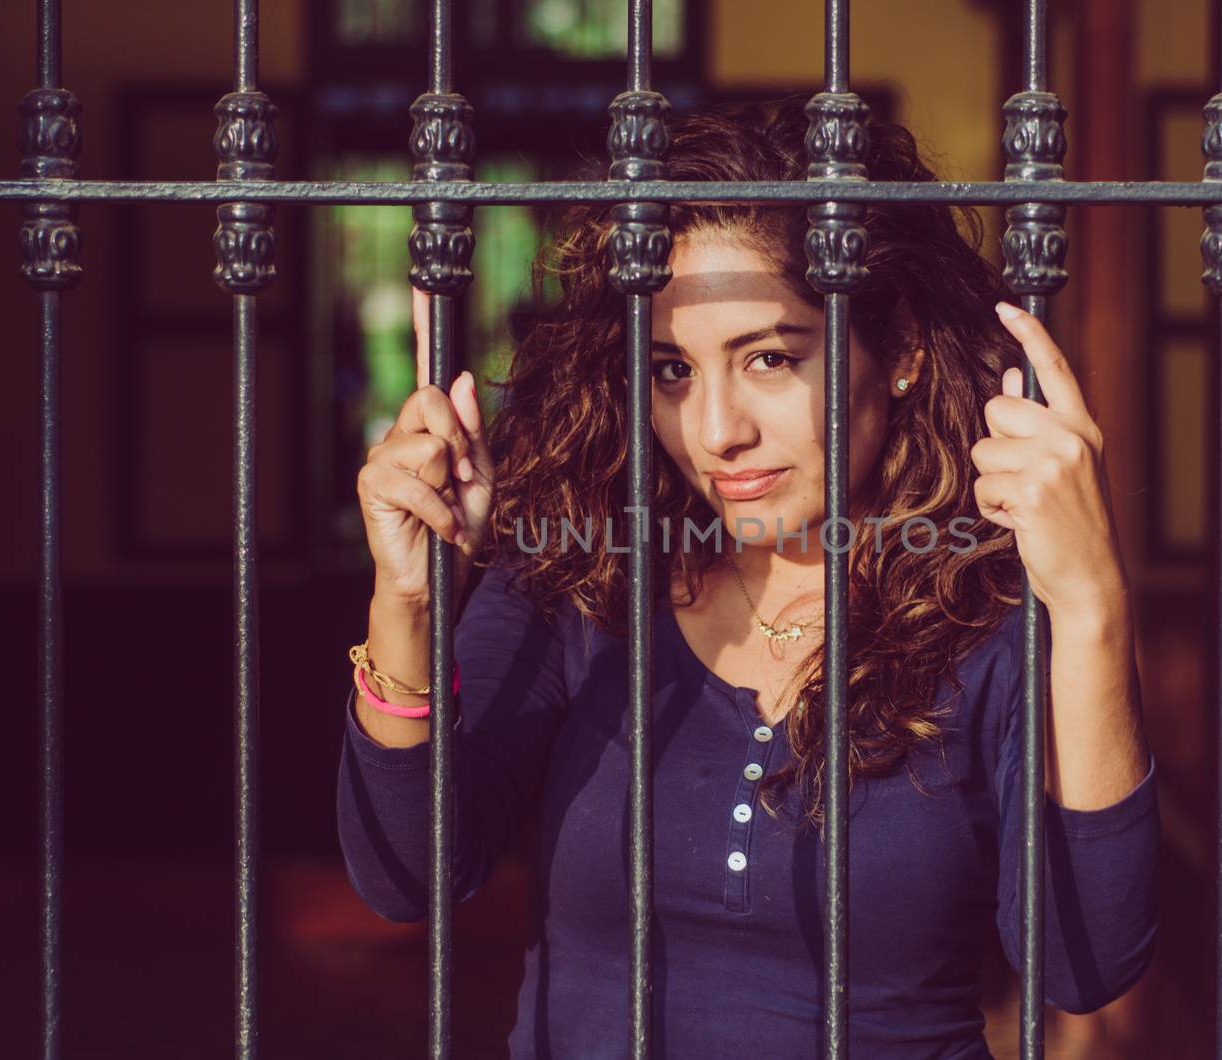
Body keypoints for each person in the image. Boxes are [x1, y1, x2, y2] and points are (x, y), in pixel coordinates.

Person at [338, 99, 1158, 1058]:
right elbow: (407, 875)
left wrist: (1094, 606)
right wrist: (412, 603)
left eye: (769, 358)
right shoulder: (583, 577)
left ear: (896, 352)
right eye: (671, 370)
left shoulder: (988, 620)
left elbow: (1084, 963)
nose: (715, 430)